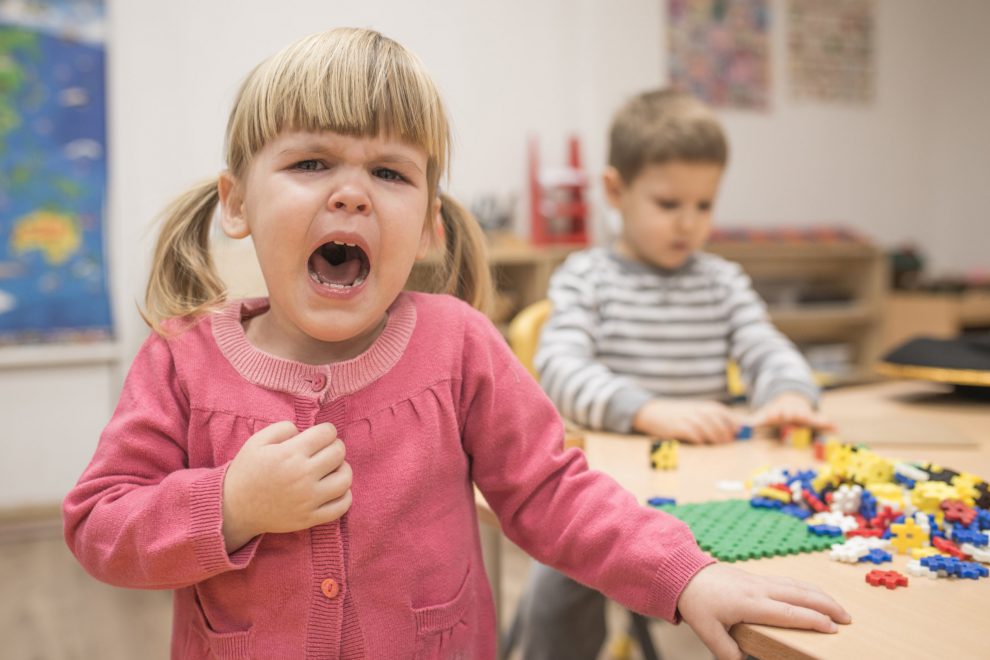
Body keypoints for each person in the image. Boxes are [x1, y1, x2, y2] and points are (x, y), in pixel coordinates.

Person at [62, 32, 848, 660]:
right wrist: (228, 507)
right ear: (236, 203)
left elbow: (552, 492)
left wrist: (687, 577)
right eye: (310, 163)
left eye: (390, 173)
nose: (350, 191)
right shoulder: (180, 361)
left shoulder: (459, 345)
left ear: (431, 222)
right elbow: (99, 524)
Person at [520, 88, 837, 658]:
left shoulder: (722, 280)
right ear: (616, 190)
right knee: (556, 587)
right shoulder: (586, 276)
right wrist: (647, 409)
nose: (688, 223)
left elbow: (766, 347)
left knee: (780, 572)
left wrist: (789, 392)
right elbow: (560, 370)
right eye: (669, 204)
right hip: (610, 490)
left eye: (704, 205)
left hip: (710, 480)